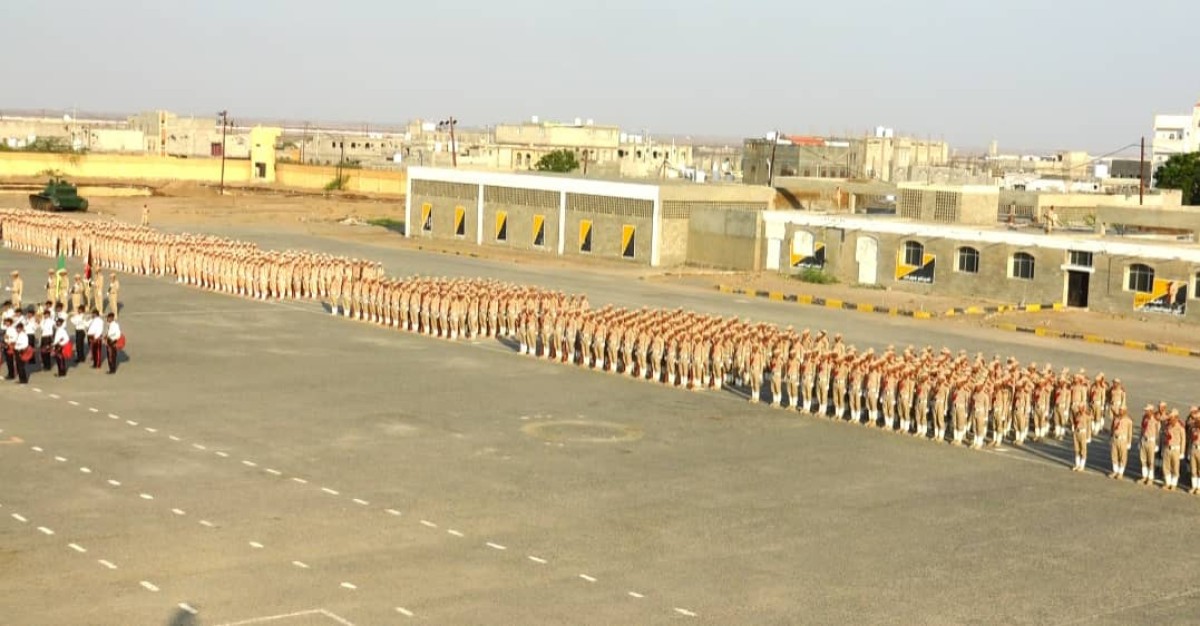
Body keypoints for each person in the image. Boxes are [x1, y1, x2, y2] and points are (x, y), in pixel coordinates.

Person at [1110, 408, 1133, 480]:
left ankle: (1120, 473)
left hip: (1123, 440)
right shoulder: (1116, 418)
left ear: (1125, 411)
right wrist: (1111, 437)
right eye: (1119, 410)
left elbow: (1130, 432)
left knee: (1122, 457)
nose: (1120, 411)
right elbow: (1112, 428)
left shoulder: (1128, 420)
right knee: (1114, 455)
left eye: (1122, 410)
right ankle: (1115, 471)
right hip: (1115, 439)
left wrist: (1129, 442)